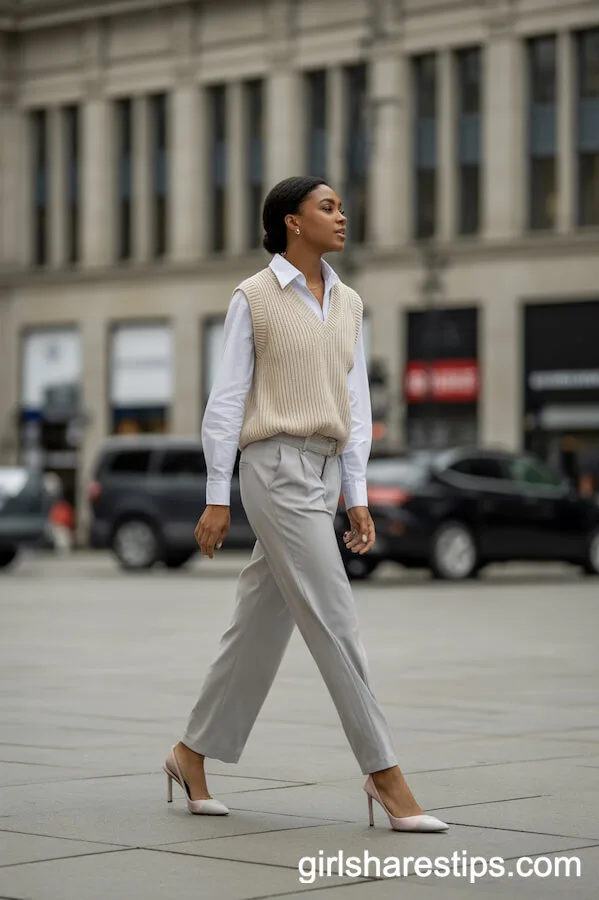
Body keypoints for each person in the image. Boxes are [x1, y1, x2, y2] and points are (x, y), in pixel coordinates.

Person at [163, 176, 448, 833]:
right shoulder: (255, 298)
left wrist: (357, 492)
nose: (343, 216)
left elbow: (357, 408)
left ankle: (190, 753)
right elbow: (227, 400)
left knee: (259, 625)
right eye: (328, 207)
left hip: (322, 472)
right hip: (275, 468)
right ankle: (384, 773)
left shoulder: (348, 302)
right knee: (334, 614)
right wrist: (216, 495)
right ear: (292, 221)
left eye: (343, 205)